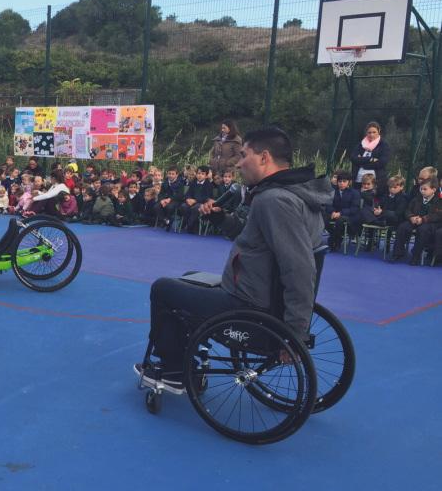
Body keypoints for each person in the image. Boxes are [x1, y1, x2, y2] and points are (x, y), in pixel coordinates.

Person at [135, 127, 332, 386]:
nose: (238, 163)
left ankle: (174, 371)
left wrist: (294, 334)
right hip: (258, 292)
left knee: (162, 289)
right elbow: (250, 234)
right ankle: (187, 353)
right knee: (189, 278)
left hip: (248, 305)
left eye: (243, 155)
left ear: (264, 157)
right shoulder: (297, 192)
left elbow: (300, 268)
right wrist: (219, 218)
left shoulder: (274, 200)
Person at [389, 178, 441, 265]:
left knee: (423, 230)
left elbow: (438, 215)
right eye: (421, 189)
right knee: (403, 227)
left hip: (429, 223)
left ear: (433, 190)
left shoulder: (439, 201)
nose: (422, 191)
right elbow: (408, 210)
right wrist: (411, 217)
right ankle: (397, 253)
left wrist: (423, 219)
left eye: (425, 189)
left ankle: (416, 256)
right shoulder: (416, 198)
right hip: (415, 220)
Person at [350, 121, 391, 193]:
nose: (371, 134)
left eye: (374, 132)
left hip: (376, 181)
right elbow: (353, 158)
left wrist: (362, 162)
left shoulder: (384, 145)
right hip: (358, 181)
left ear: (379, 131)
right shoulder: (361, 145)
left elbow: (382, 162)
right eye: (369, 132)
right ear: (366, 133)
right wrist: (370, 159)